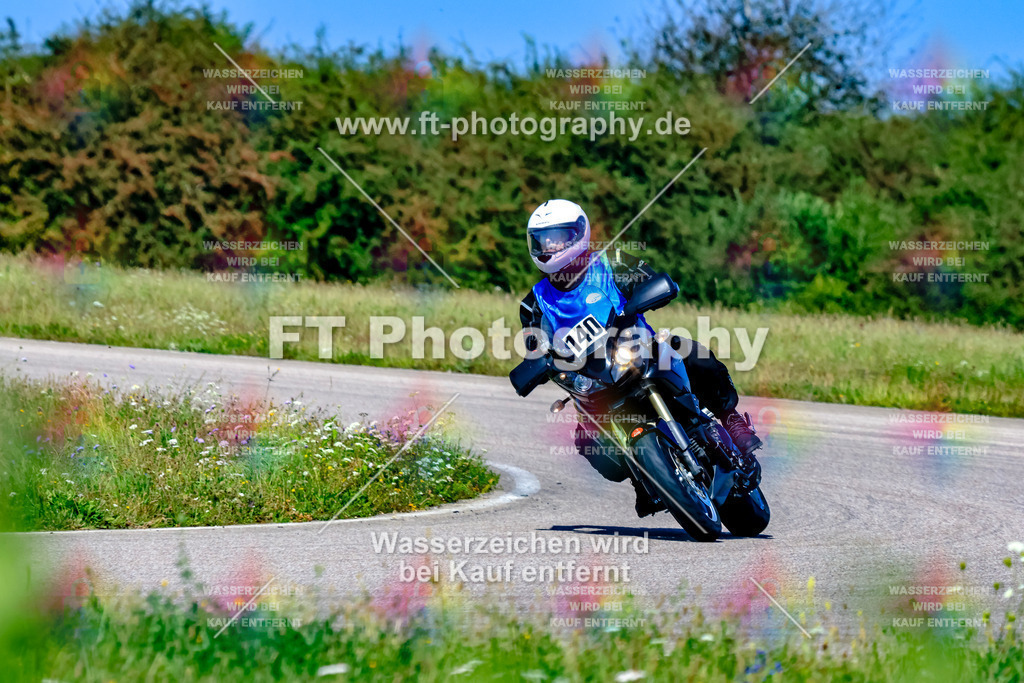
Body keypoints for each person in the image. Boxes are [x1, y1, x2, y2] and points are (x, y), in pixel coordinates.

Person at [517, 199, 762, 517]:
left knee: (689, 351)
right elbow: (536, 350)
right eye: (542, 240)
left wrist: (654, 290)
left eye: (556, 238)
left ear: (578, 233)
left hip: (640, 352)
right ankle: (644, 478)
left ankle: (731, 421)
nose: (549, 247)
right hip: (593, 381)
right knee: (585, 439)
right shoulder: (533, 304)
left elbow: (649, 280)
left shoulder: (611, 263)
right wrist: (537, 366)